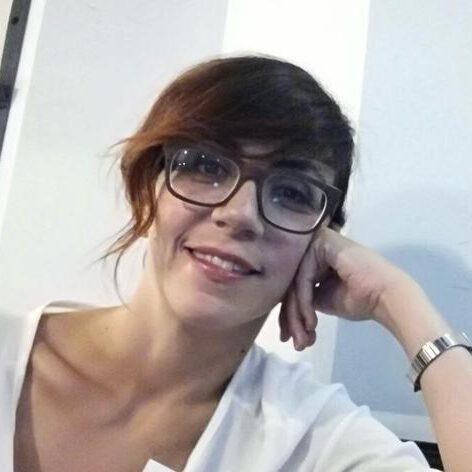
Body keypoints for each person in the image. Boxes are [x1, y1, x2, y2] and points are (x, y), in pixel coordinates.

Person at [2, 55, 471, 472]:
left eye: (292, 193)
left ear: (320, 242)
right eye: (206, 166)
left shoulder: (314, 440)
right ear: (148, 187)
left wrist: (399, 300)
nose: (240, 214)